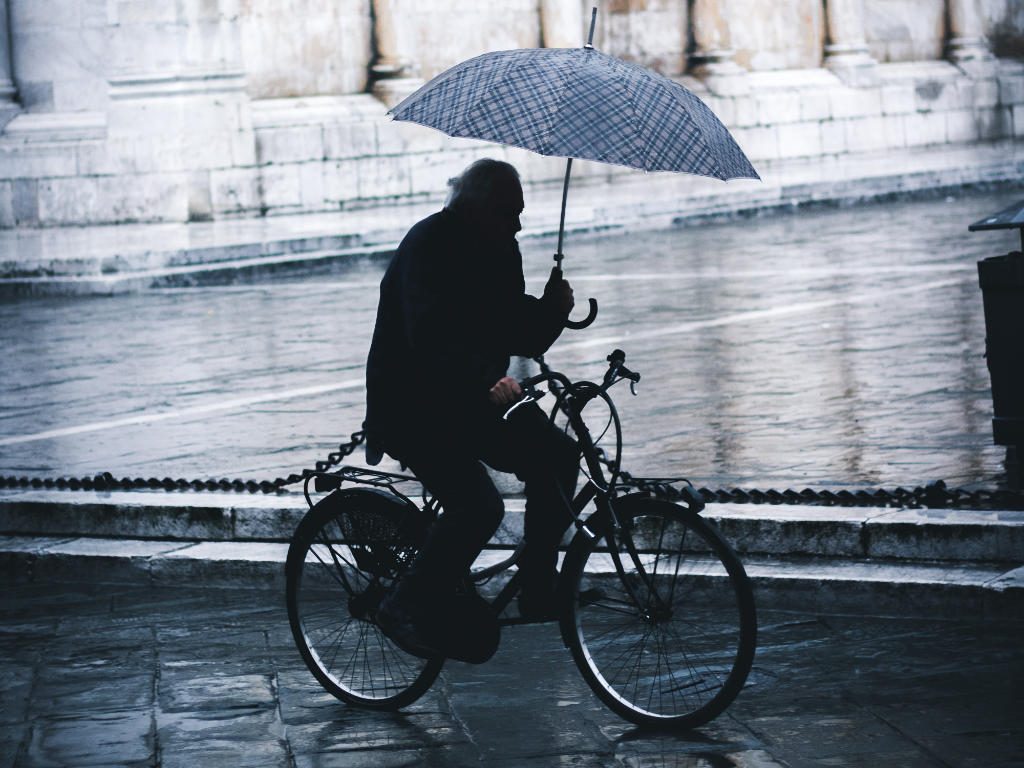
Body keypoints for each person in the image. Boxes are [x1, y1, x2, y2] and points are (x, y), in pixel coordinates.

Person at [364, 158, 579, 660]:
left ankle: (537, 580)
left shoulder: (503, 249)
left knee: (559, 457)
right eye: (510, 213)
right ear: (478, 209)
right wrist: (487, 379)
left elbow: (515, 329)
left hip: (476, 399)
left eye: (520, 213)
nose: (519, 224)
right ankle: (404, 602)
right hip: (416, 405)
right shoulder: (427, 247)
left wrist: (553, 308)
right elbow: (429, 339)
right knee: (479, 505)